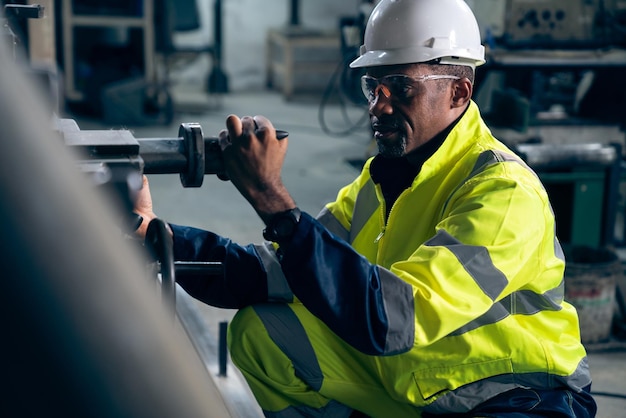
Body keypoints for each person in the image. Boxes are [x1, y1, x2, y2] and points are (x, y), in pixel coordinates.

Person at [134, 0, 597, 416]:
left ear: (459, 92)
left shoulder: (502, 194)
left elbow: (391, 319)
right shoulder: (382, 180)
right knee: (264, 335)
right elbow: (283, 275)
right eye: (372, 85)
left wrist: (271, 198)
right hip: (420, 385)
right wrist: (158, 237)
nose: (379, 105)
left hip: (518, 395)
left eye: (400, 87)